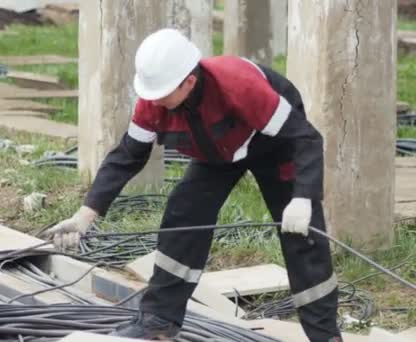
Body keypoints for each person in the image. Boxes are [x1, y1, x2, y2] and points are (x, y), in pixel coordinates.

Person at [46, 28, 342, 342]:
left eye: (161, 92)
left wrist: (303, 197)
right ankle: (158, 323)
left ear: (189, 81)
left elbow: (306, 138)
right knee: (183, 216)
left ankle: (325, 336)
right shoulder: (153, 102)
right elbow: (127, 157)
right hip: (217, 151)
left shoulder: (239, 86)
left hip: (275, 144)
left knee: (302, 238)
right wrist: (85, 216)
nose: (154, 99)